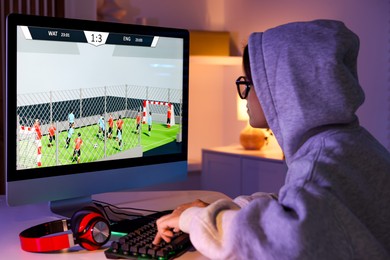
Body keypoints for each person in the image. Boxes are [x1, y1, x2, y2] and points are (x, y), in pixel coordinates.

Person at [153, 20, 390, 259]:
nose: (245, 95)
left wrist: (192, 219)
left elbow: (276, 245)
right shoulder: (349, 146)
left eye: (249, 83)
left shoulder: (317, 166)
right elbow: (311, 209)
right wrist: (237, 208)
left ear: (285, 88)